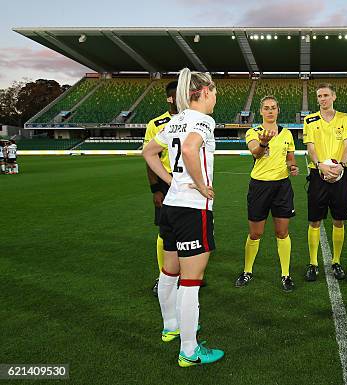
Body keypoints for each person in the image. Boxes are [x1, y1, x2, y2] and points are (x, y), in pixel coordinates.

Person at [142, 68, 223, 367]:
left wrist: (170, 181)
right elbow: (190, 149)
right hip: (192, 208)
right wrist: (202, 184)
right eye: (213, 92)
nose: (215, 97)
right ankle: (189, 351)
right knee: (191, 281)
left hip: (171, 207)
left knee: (169, 272)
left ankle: (170, 327)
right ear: (202, 92)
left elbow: (148, 152)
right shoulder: (203, 120)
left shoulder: (174, 120)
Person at [234, 95, 299, 292]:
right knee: (256, 233)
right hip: (259, 187)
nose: (270, 111)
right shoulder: (253, 132)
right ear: (261, 111)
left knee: (282, 232)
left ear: (278, 111)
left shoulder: (287, 134)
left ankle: (285, 275)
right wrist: (263, 143)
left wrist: (293, 167)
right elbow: (255, 152)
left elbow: (290, 158)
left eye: (273, 108)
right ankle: (247, 271)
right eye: (266, 108)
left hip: (282, 187)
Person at [302, 83, 347, 281]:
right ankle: (313, 263)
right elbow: (310, 146)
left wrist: (341, 165)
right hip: (318, 174)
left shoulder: (345, 119)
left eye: (325, 95)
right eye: (319, 96)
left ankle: (336, 261)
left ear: (333, 97)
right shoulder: (310, 119)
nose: (322, 99)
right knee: (315, 219)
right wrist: (319, 165)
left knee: (338, 219)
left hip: (340, 173)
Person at [144, 80, 178, 296]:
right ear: (169, 98)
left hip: (189, 184)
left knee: (187, 231)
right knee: (165, 232)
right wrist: (155, 189)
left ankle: (186, 274)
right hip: (166, 184)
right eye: (177, 94)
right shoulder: (156, 124)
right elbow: (150, 158)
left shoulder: (193, 121)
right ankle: (163, 276)